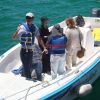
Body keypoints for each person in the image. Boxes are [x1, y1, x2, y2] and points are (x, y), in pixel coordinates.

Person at [12, 12, 47, 80]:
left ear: (33, 19)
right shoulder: (22, 28)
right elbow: (13, 38)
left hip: (31, 50)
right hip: (24, 51)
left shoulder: (34, 27)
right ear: (26, 18)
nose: (28, 19)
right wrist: (17, 30)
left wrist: (44, 47)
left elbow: (39, 38)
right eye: (27, 18)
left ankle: (33, 77)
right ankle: (27, 79)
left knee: (33, 64)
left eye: (30, 18)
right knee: (26, 67)